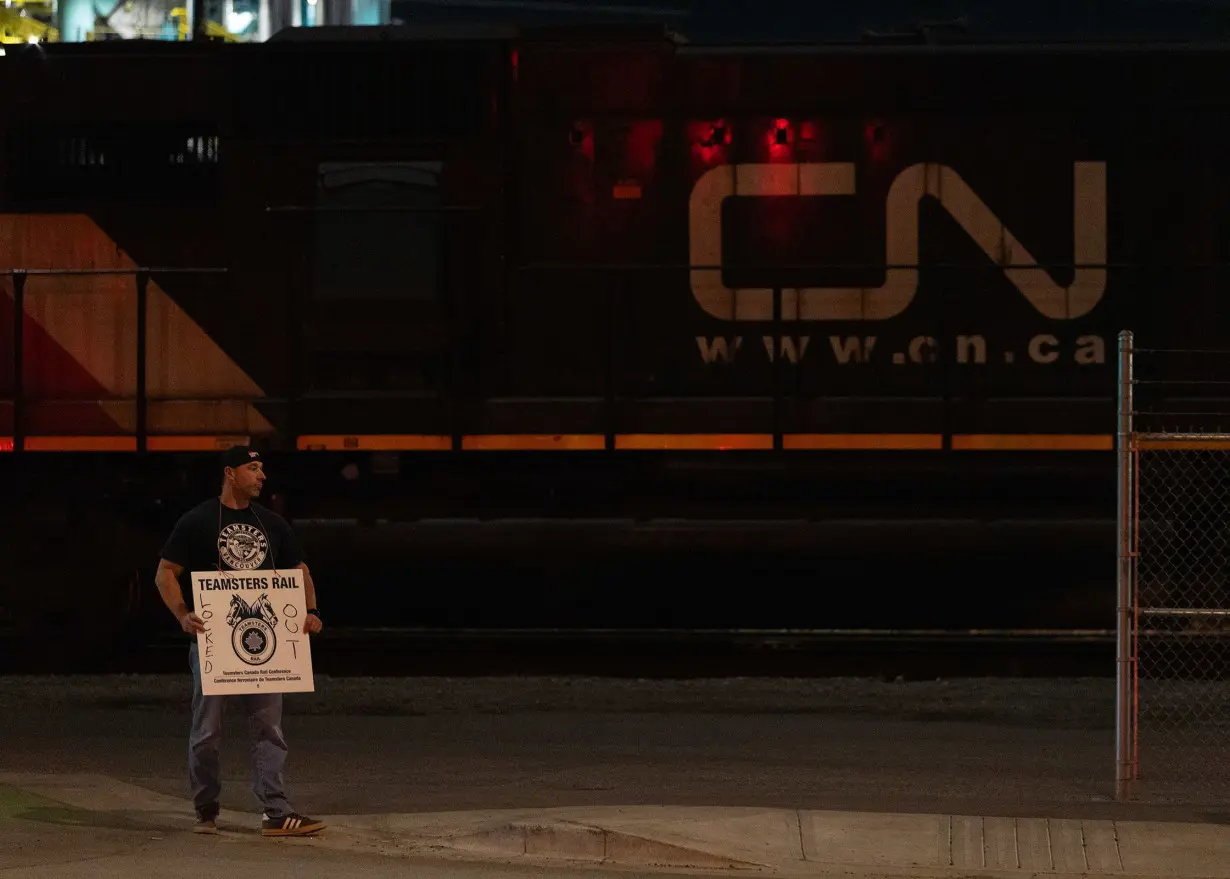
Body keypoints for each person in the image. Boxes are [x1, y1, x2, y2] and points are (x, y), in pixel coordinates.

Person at [154, 445, 326, 837]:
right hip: (214, 643)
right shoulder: (198, 521)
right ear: (230, 473)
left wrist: (312, 612)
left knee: (270, 728)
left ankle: (276, 812)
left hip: (266, 644)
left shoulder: (272, 523)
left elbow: (299, 570)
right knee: (208, 731)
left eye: (263, 467)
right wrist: (182, 614)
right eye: (253, 468)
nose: (262, 475)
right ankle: (206, 808)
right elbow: (165, 572)